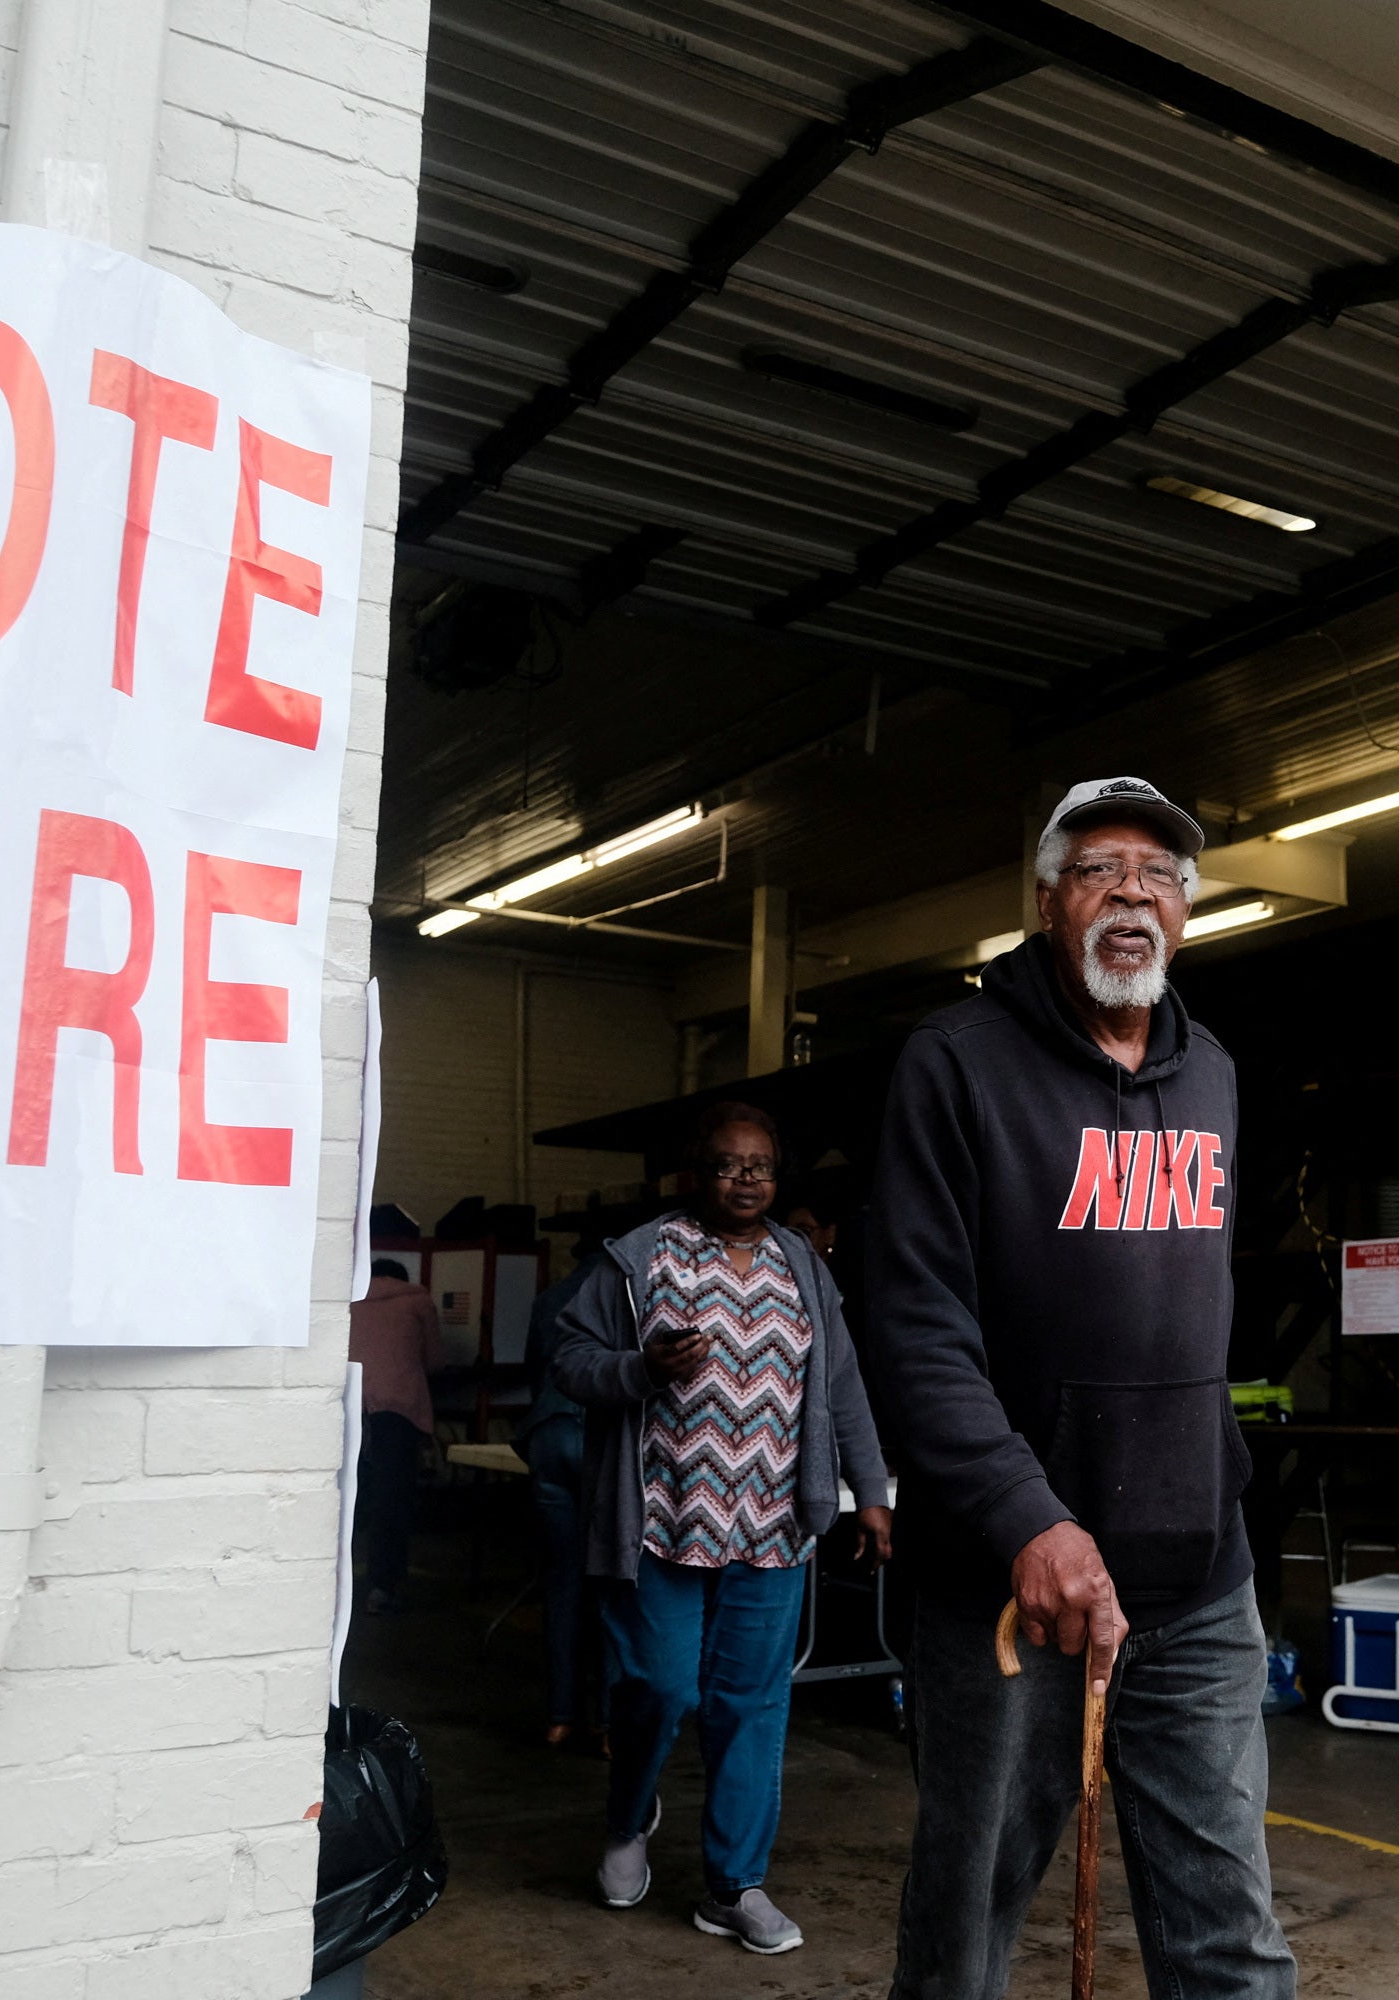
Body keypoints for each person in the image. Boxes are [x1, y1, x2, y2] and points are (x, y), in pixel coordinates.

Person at [870, 775, 1296, 2000]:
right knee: (971, 1915)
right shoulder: (956, 1064)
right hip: (1009, 1585)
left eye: (1161, 875)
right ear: (1049, 895)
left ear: (1187, 912)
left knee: (1229, 1924)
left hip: (1196, 1578)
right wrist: (1029, 1517)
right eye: (1103, 867)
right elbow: (915, 1326)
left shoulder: (1211, 1068)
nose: (1133, 894)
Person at [549, 1102, 895, 1956]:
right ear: (691, 1174)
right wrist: (639, 1367)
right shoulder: (640, 1259)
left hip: (773, 1526)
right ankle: (629, 1817)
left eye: (761, 1167)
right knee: (658, 1687)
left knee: (752, 1706)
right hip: (662, 1521)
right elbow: (567, 1358)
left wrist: (870, 1488)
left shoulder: (800, 1267)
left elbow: (841, 1382)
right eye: (727, 1165)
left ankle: (733, 1886)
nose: (746, 1180)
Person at [523, 1255, 605, 1752]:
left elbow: (537, 1369)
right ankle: (608, 1723)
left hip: (549, 1434)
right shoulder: (629, 1290)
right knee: (616, 1583)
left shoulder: (550, 1297)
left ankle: (560, 1717)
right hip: (601, 1438)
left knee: (564, 1579)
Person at [349, 1257, 445, 1614]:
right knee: (392, 1502)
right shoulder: (419, 1300)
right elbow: (435, 1361)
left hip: (352, 1406)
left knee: (349, 1499)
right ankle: (382, 1588)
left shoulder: (351, 1301)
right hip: (397, 1411)